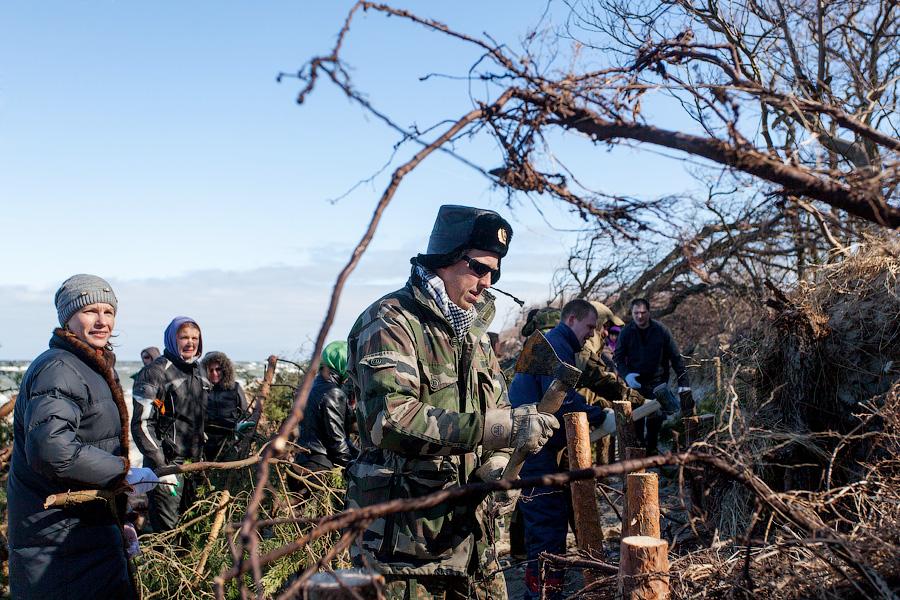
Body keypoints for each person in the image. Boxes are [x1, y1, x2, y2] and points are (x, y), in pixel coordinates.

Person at [346, 205, 558, 599]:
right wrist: (502, 428)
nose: (487, 282)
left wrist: (498, 469)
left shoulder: (475, 334)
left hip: (473, 543)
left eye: (495, 272)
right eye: (478, 268)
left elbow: (497, 410)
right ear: (445, 259)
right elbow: (390, 420)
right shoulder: (390, 321)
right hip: (403, 551)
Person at [8, 274, 158, 599]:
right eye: (90, 311)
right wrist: (123, 472)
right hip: (58, 543)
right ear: (68, 316)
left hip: (84, 533)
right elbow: (51, 449)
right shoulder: (61, 368)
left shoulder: (90, 364)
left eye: (109, 312)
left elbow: (89, 447)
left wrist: (119, 524)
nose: (102, 321)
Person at [509, 299, 616, 600]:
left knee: (547, 528)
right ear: (572, 319)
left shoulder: (557, 343)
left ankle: (544, 590)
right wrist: (599, 416)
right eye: (590, 327)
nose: (592, 334)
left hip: (538, 445)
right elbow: (563, 402)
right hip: (534, 448)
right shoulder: (557, 346)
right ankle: (543, 594)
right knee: (546, 530)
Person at [132, 316, 209, 531]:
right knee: (168, 532)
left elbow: (199, 418)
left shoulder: (199, 371)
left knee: (192, 527)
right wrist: (162, 466)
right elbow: (141, 424)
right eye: (183, 337)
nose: (190, 342)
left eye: (195, 337)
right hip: (168, 465)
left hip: (194, 464)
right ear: (172, 339)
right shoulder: (154, 372)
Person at [613, 298, 693, 455]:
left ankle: (652, 450)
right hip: (635, 384)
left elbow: (676, 358)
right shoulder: (626, 332)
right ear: (632, 313)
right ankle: (638, 451)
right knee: (635, 420)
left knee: (655, 419)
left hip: (658, 382)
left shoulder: (661, 331)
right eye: (636, 313)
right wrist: (626, 375)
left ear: (649, 313)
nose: (640, 316)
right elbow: (618, 358)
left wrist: (684, 382)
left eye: (643, 313)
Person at [294, 340, 358, 476]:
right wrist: (357, 468)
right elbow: (337, 442)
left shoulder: (309, 387)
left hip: (300, 463)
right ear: (343, 363)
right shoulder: (333, 392)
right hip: (319, 469)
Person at [201, 351, 248, 460]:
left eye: (218, 369)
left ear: (225, 369)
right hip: (206, 443)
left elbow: (245, 414)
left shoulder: (235, 388)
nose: (214, 373)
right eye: (210, 370)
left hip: (229, 441)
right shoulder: (200, 389)